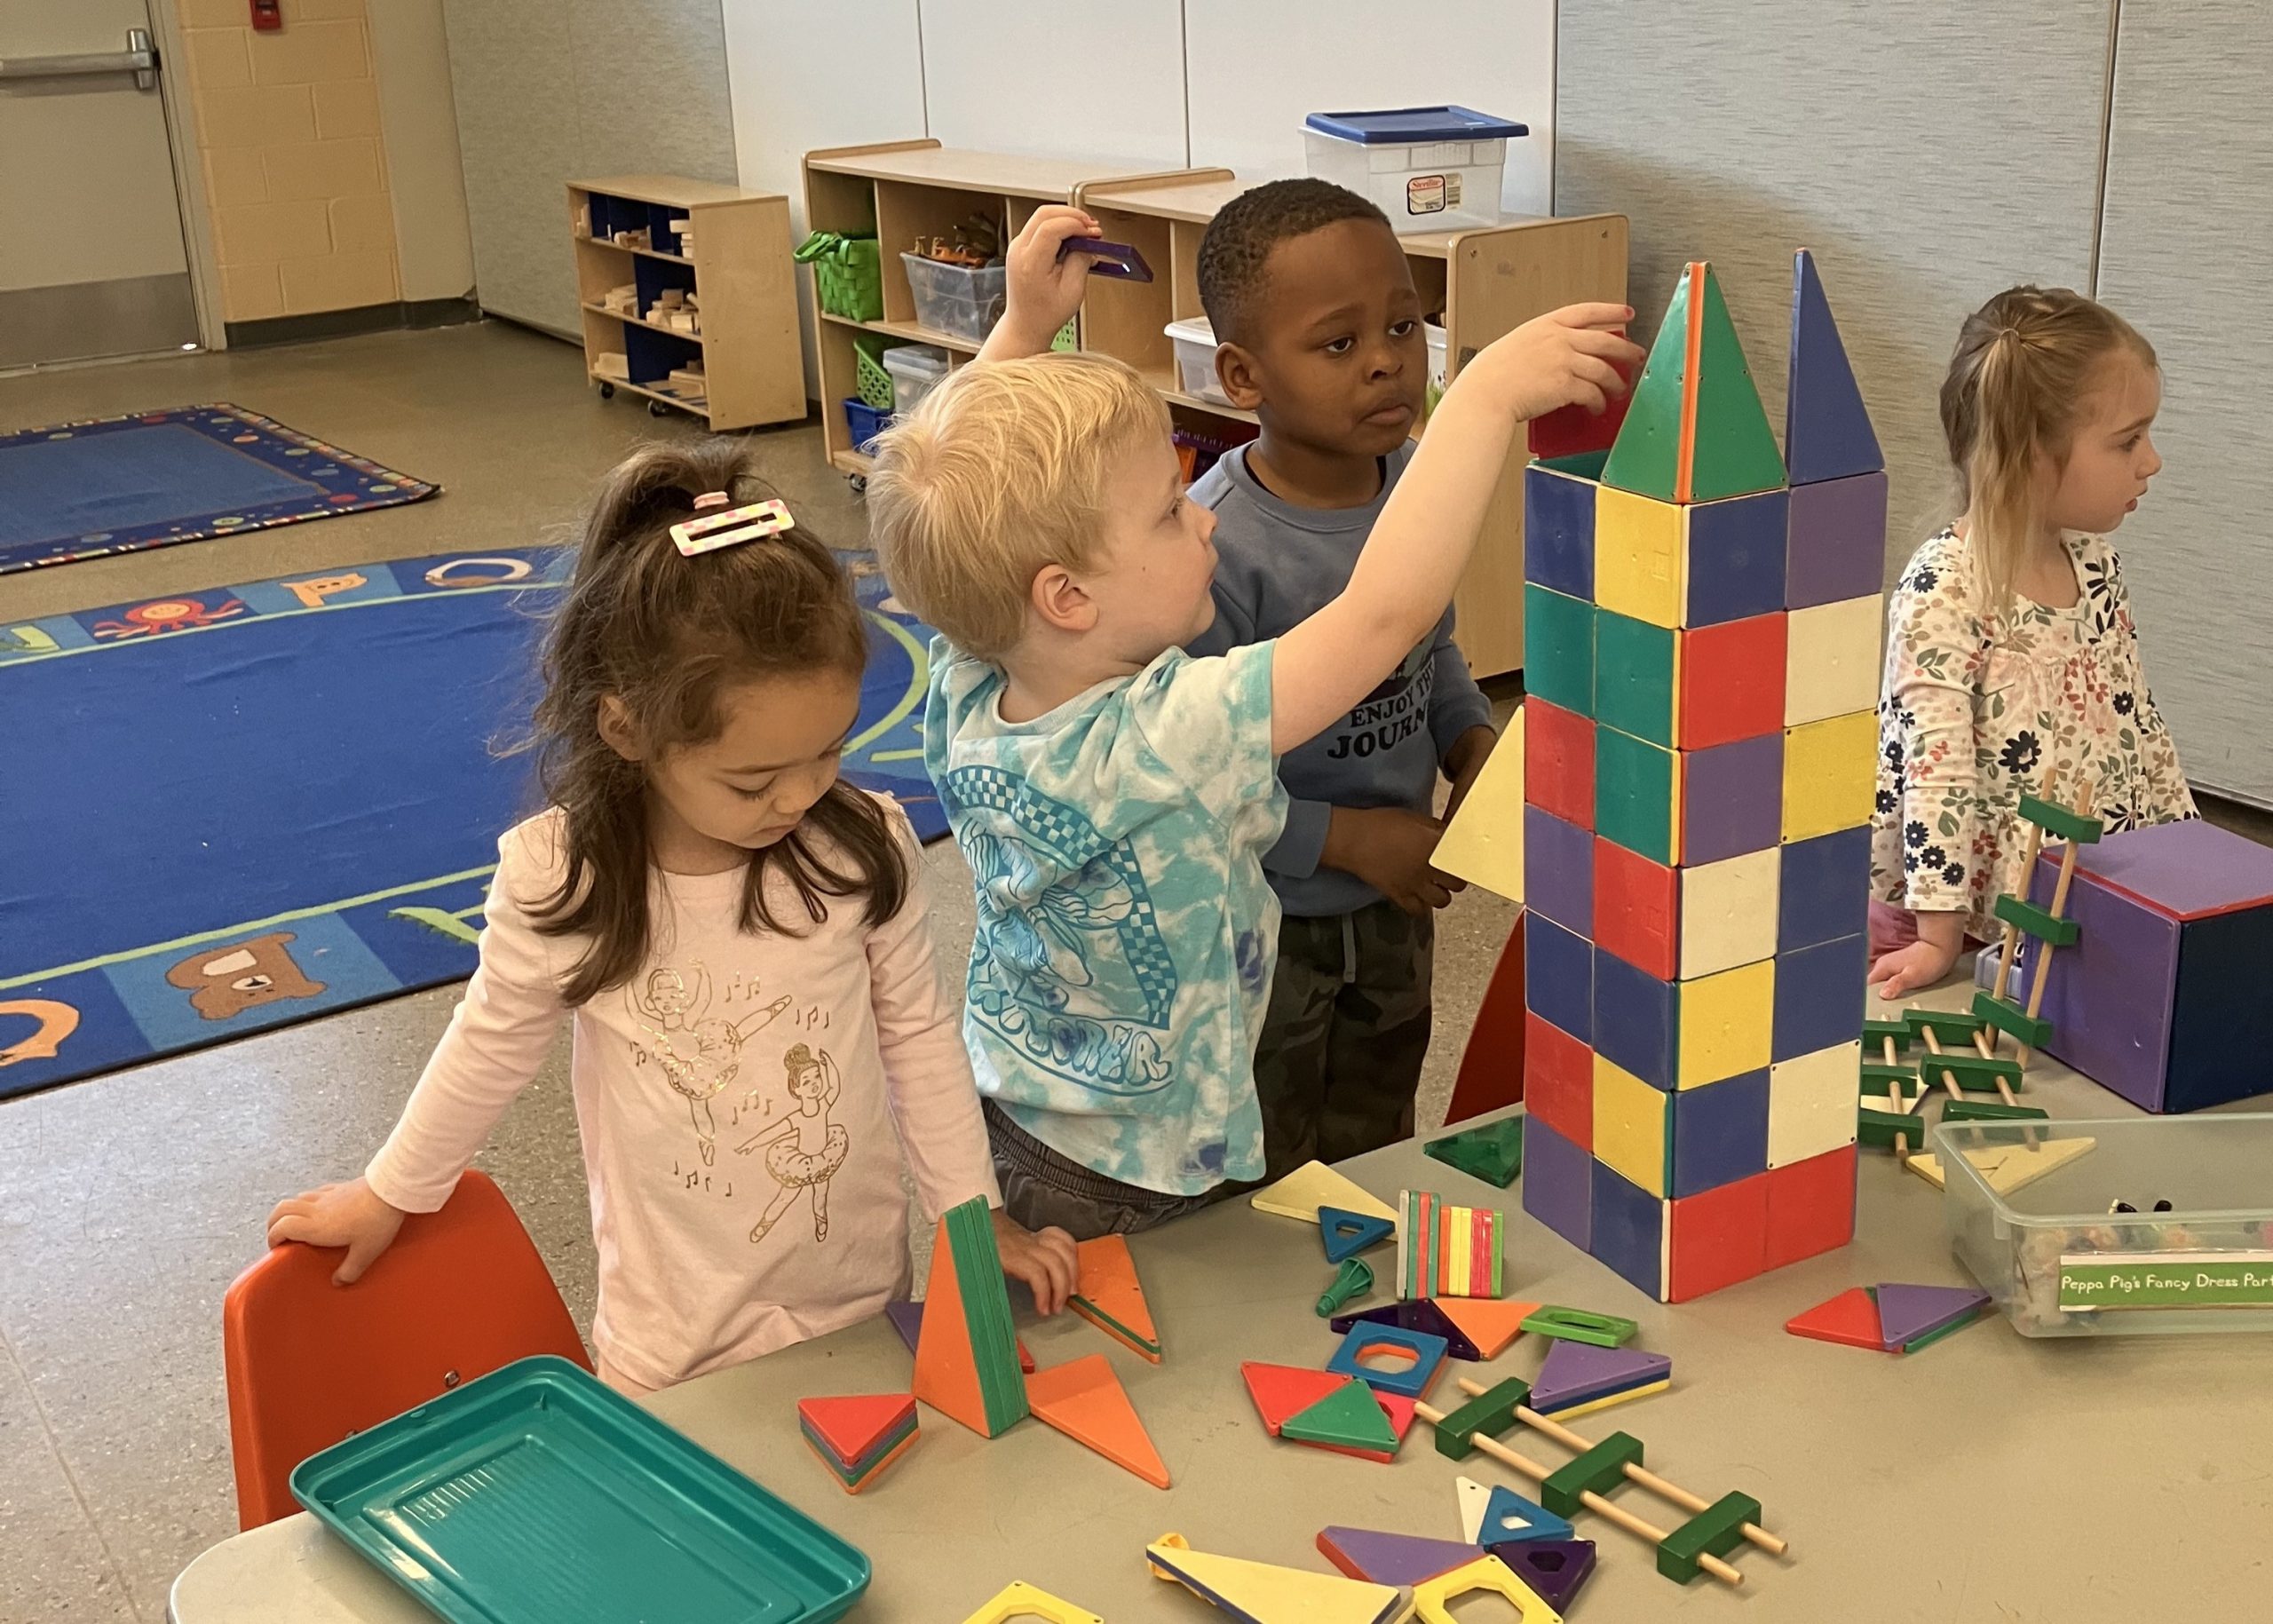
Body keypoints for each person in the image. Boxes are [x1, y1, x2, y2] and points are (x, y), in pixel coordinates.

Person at [867, 204, 1637, 1237]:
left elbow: (953, 503)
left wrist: (1024, 326)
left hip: (1032, 1123)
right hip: (1155, 1166)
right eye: (1167, 511)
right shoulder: (1162, 731)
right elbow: (1380, 617)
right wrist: (1484, 395)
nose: (1204, 519)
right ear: (1065, 596)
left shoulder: (971, 679)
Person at [265, 442, 1075, 1395]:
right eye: (752, 778)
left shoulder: (861, 847)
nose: (800, 796)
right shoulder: (569, 876)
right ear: (627, 728)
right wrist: (391, 1191)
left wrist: (972, 1222)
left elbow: (918, 1038)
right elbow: (490, 1043)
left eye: (828, 752)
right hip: (673, 1335)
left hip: (853, 1291)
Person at [1182, 178, 1497, 1179]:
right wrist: (1350, 838)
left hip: (1399, 905)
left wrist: (1468, 737)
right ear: (1242, 374)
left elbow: (1432, 644)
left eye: (1404, 326)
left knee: (1378, 1136)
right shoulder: (1209, 550)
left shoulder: (1417, 492)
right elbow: (1190, 772)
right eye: (1337, 344)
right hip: (1267, 921)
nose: (1385, 363)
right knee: (1266, 1163)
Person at [1867, 286, 2194, 1000]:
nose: (2152, 462)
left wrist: (2186, 856)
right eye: (2127, 441)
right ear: (2031, 457)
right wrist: (1936, 937)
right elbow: (1936, 775)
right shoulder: (1945, 591)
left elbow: (2138, 724)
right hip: (1963, 920)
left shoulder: (2096, 564)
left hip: (2081, 895)